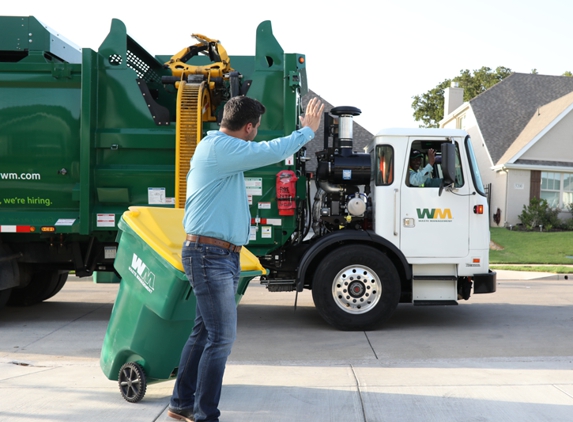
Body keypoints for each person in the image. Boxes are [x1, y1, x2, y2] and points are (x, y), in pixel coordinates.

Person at [168, 96, 324, 422]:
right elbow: (270, 151)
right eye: (257, 128)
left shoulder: (220, 149)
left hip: (216, 254)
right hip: (209, 255)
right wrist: (306, 132)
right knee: (221, 338)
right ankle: (204, 415)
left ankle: (181, 404)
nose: (257, 134)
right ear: (249, 127)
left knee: (203, 333)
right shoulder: (222, 148)